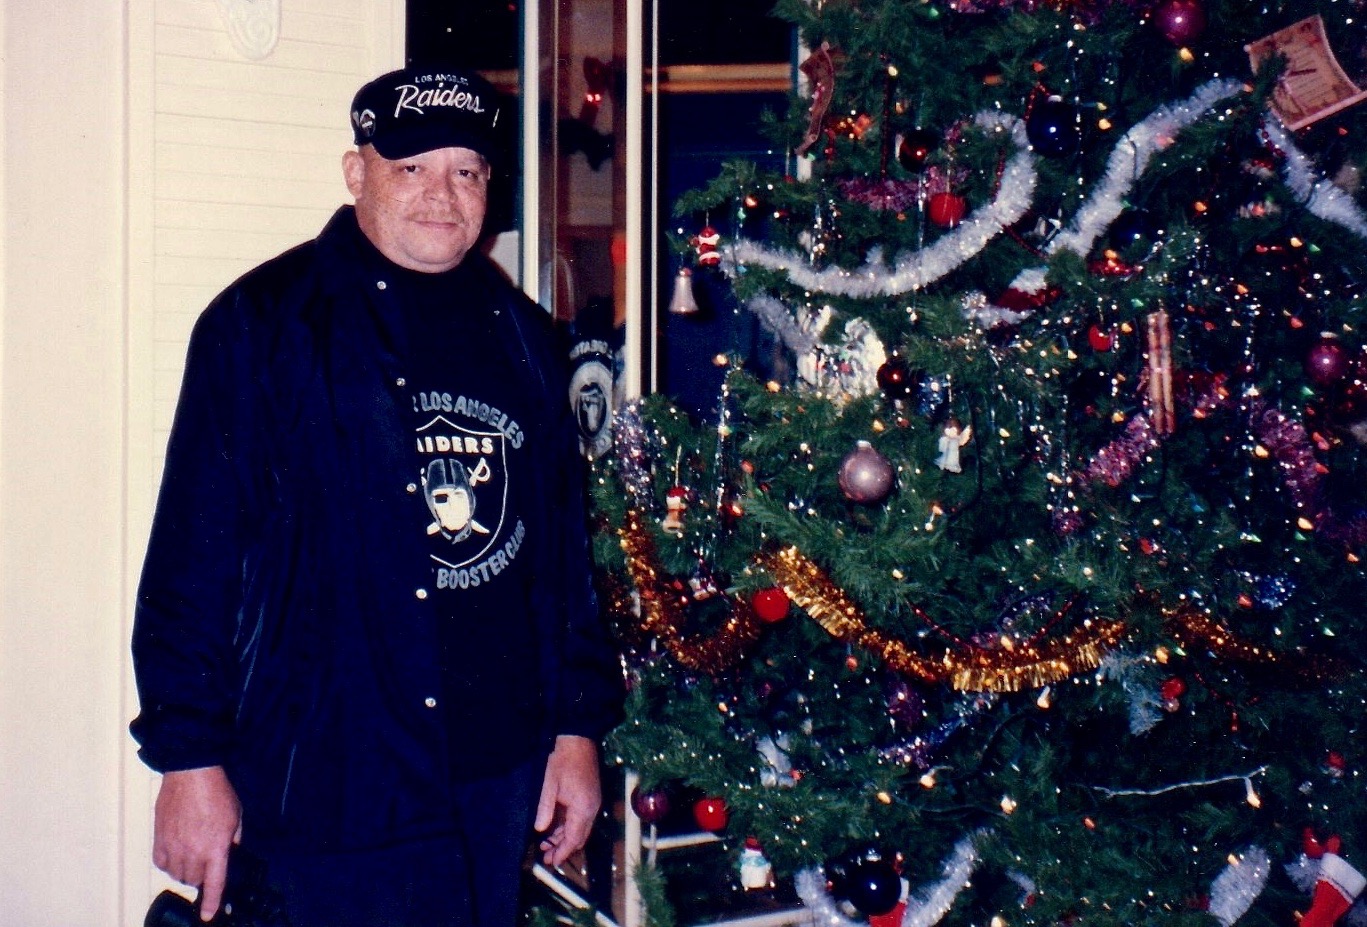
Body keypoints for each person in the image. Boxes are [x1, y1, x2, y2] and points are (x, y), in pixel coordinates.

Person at [130, 64, 622, 927]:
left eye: (465, 170)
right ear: (356, 173)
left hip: (492, 777)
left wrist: (574, 730)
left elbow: (561, 564)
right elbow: (191, 560)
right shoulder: (262, 324)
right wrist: (189, 759)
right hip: (327, 778)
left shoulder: (523, 338)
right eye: (411, 167)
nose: (442, 194)